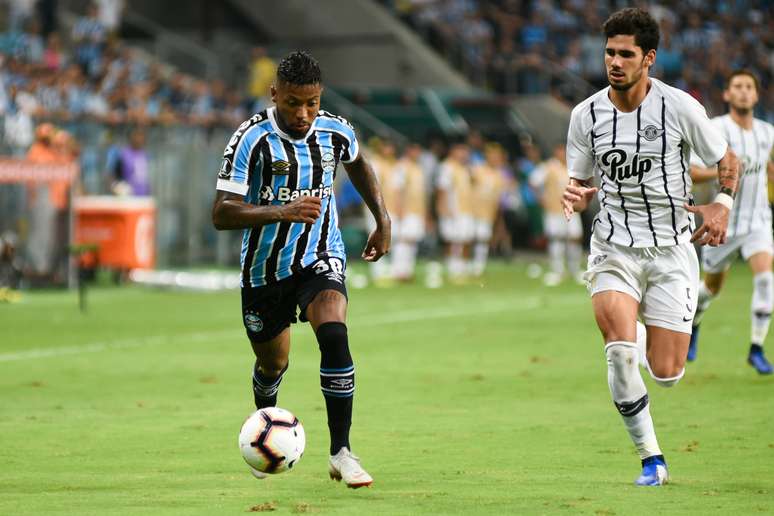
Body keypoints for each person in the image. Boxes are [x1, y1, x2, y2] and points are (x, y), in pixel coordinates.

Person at [562, 8, 739, 486]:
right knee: (618, 352)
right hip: (613, 247)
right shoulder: (586, 115)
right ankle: (652, 460)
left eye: (626, 54)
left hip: (671, 247)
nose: (615, 62)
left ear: (649, 59)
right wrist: (575, 193)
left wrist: (721, 203)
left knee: (666, 373)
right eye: (609, 53)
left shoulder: (679, 107)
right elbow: (579, 180)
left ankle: (655, 328)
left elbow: (727, 159)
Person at [211, 51, 390, 488]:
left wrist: (382, 219)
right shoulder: (250, 138)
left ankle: (342, 452)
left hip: (319, 257)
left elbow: (359, 164)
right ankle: (262, 426)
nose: (304, 113)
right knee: (273, 364)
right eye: (293, 102)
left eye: (311, 102)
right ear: (275, 94)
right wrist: (280, 211)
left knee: (333, 332)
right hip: (264, 270)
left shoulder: (335, 129)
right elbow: (221, 213)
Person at [688, 70, 774, 374]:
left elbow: (769, 170)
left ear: (756, 94)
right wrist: (726, 170)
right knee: (710, 289)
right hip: (721, 223)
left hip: (758, 221)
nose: (743, 92)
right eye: (737, 86)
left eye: (749, 87)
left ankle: (756, 347)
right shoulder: (715, 129)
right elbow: (693, 172)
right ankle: (694, 322)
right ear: (727, 94)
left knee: (765, 279)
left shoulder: (767, 132)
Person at [530, 142, 583, 286]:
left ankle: (575, 269)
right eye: (560, 151)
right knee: (556, 239)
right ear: (556, 152)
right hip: (554, 209)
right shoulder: (548, 167)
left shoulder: (574, 167)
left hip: (572, 209)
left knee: (575, 237)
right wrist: (541, 199)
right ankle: (557, 271)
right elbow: (533, 182)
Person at [435, 141, 473, 280]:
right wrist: (442, 207)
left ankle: (463, 267)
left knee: (465, 238)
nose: (464, 154)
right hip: (453, 210)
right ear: (453, 151)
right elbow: (441, 189)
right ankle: (453, 268)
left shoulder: (465, 168)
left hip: (466, 210)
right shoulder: (447, 167)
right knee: (453, 239)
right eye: (461, 150)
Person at [470, 142, 506, 276]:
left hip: (488, 213)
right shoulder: (477, 170)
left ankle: (478, 267)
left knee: (483, 239)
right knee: (468, 238)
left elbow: (499, 197)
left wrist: (498, 216)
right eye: (492, 155)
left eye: (497, 156)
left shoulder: (500, 175)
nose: (495, 159)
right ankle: (460, 266)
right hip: (472, 211)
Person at [392, 142, 426, 281]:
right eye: (415, 150)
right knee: (402, 240)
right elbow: (398, 190)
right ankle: (398, 271)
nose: (418, 154)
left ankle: (407, 270)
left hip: (417, 210)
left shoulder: (418, 168)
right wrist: (400, 209)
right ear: (409, 150)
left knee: (412, 240)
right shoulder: (402, 166)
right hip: (406, 210)